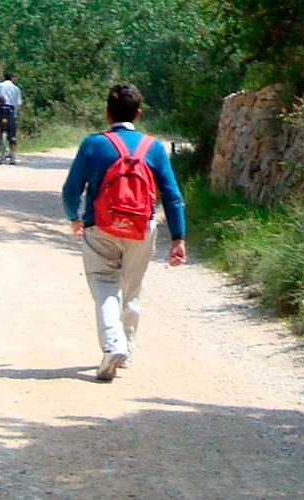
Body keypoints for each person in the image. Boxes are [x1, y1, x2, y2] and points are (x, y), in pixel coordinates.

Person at [61, 83, 187, 382]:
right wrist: (178, 238)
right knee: (132, 288)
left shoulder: (93, 144)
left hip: (100, 227)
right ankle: (126, 347)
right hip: (142, 229)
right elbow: (172, 195)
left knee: (105, 285)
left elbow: (71, 190)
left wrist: (73, 217)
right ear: (139, 114)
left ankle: (113, 344)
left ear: (107, 113)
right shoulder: (153, 147)